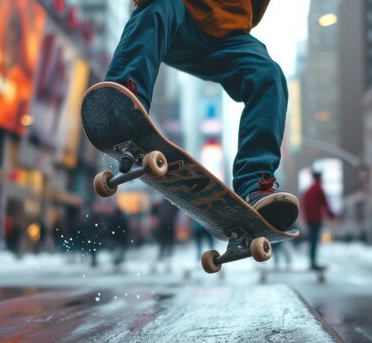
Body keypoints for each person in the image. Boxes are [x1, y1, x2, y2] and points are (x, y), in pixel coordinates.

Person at [106, 0, 299, 230]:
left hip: (228, 35)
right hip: (179, 15)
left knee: (269, 75)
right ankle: (123, 103)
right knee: (157, 9)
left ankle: (255, 185)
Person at [302, 171, 336, 270]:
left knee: (312, 241)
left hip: (309, 219)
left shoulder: (308, 190)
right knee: (314, 241)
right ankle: (313, 263)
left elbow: (305, 205)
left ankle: (312, 261)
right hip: (316, 219)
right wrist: (332, 216)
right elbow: (325, 204)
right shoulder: (318, 189)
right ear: (319, 178)